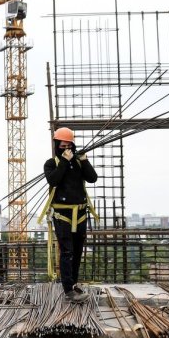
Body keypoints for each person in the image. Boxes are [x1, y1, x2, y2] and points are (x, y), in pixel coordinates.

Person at [43, 127, 98, 303]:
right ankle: (68, 290)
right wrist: (65, 161)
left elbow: (92, 178)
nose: (65, 148)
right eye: (62, 145)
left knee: (77, 251)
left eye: (68, 145)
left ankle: (73, 284)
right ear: (57, 145)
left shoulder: (79, 163)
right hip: (62, 214)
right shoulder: (51, 163)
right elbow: (54, 180)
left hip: (80, 213)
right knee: (66, 251)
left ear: (73, 145)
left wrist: (85, 161)